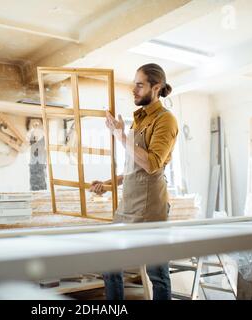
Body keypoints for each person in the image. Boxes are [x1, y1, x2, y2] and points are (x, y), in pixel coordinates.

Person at [89, 63, 179, 300]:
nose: (134, 89)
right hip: (128, 207)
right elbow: (133, 167)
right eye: (134, 84)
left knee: (157, 273)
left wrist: (120, 135)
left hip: (150, 210)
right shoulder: (138, 119)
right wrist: (107, 183)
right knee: (110, 263)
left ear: (156, 87)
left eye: (140, 85)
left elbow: (151, 164)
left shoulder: (165, 120)